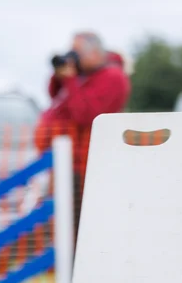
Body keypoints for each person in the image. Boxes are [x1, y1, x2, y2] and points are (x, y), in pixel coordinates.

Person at [34, 31, 131, 238]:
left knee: (76, 224)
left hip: (84, 164)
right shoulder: (83, 76)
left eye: (76, 52)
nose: (72, 57)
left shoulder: (112, 77)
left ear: (94, 52)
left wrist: (70, 80)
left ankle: (74, 257)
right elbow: (54, 95)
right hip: (65, 161)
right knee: (59, 221)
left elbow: (86, 115)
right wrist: (60, 76)